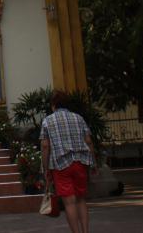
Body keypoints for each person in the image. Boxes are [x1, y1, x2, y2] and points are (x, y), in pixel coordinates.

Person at [41, 91, 96, 233]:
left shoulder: (48, 121)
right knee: (81, 200)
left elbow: (45, 146)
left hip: (60, 165)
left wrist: (46, 169)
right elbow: (89, 141)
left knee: (69, 203)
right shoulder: (78, 118)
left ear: (53, 105)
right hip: (80, 162)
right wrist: (93, 163)